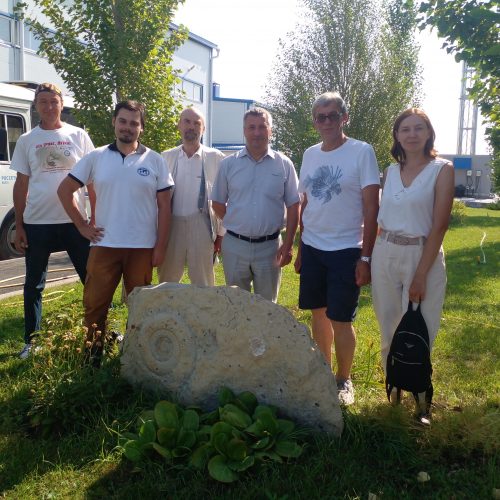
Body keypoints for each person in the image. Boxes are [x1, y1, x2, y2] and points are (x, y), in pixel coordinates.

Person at [58, 100, 173, 364]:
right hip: (104, 245)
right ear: (114, 122)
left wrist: (161, 246)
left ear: (141, 128)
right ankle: (92, 358)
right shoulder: (96, 157)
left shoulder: (155, 161)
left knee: (140, 306)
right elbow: (65, 191)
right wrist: (82, 225)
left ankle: (136, 358)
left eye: (134, 123)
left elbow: (165, 206)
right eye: (123, 121)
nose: (127, 127)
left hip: (142, 247)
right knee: (95, 305)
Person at [295, 92, 380, 405]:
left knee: (341, 319)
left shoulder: (361, 152)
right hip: (313, 247)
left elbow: (372, 207)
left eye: (333, 115)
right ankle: (323, 373)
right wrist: (301, 248)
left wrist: (366, 257)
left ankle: (344, 380)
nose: (327, 121)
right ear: (315, 122)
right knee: (318, 315)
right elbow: (305, 202)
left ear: (344, 118)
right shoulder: (310, 154)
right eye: (321, 117)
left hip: (347, 249)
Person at [371, 108, 454, 421]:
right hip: (385, 252)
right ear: (396, 135)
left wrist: (421, 275)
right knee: (388, 326)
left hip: (423, 255)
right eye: (405, 129)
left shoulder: (441, 169)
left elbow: (440, 225)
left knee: (421, 328)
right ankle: (393, 391)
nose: (412, 134)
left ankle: (421, 401)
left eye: (419, 128)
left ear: (429, 133)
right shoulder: (390, 171)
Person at [10, 82, 94, 359]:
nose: (49, 106)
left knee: (91, 280)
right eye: (43, 101)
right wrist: (19, 225)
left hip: (75, 222)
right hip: (37, 223)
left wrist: (94, 216)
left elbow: (92, 179)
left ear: (61, 104)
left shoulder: (78, 135)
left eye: (53, 101)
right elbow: (21, 184)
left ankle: (99, 332)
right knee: (33, 284)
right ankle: (31, 341)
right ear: (36, 106)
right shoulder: (27, 140)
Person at [211, 107, 299, 303]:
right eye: (251, 127)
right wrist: (237, 220)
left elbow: (294, 205)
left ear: (270, 131)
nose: (257, 132)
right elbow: (217, 202)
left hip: (270, 247)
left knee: (267, 306)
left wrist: (288, 244)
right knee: (236, 303)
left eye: (262, 127)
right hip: (235, 246)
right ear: (244, 131)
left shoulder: (284, 164)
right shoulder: (228, 164)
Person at [157, 107, 224, 286]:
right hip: (171, 225)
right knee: (167, 281)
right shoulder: (165, 157)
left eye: (197, 123)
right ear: (179, 125)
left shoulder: (216, 157)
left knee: (204, 283)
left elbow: (225, 197)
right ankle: (168, 305)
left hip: (202, 224)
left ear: (203, 129)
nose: (191, 127)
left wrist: (221, 235)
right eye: (187, 121)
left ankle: (204, 305)